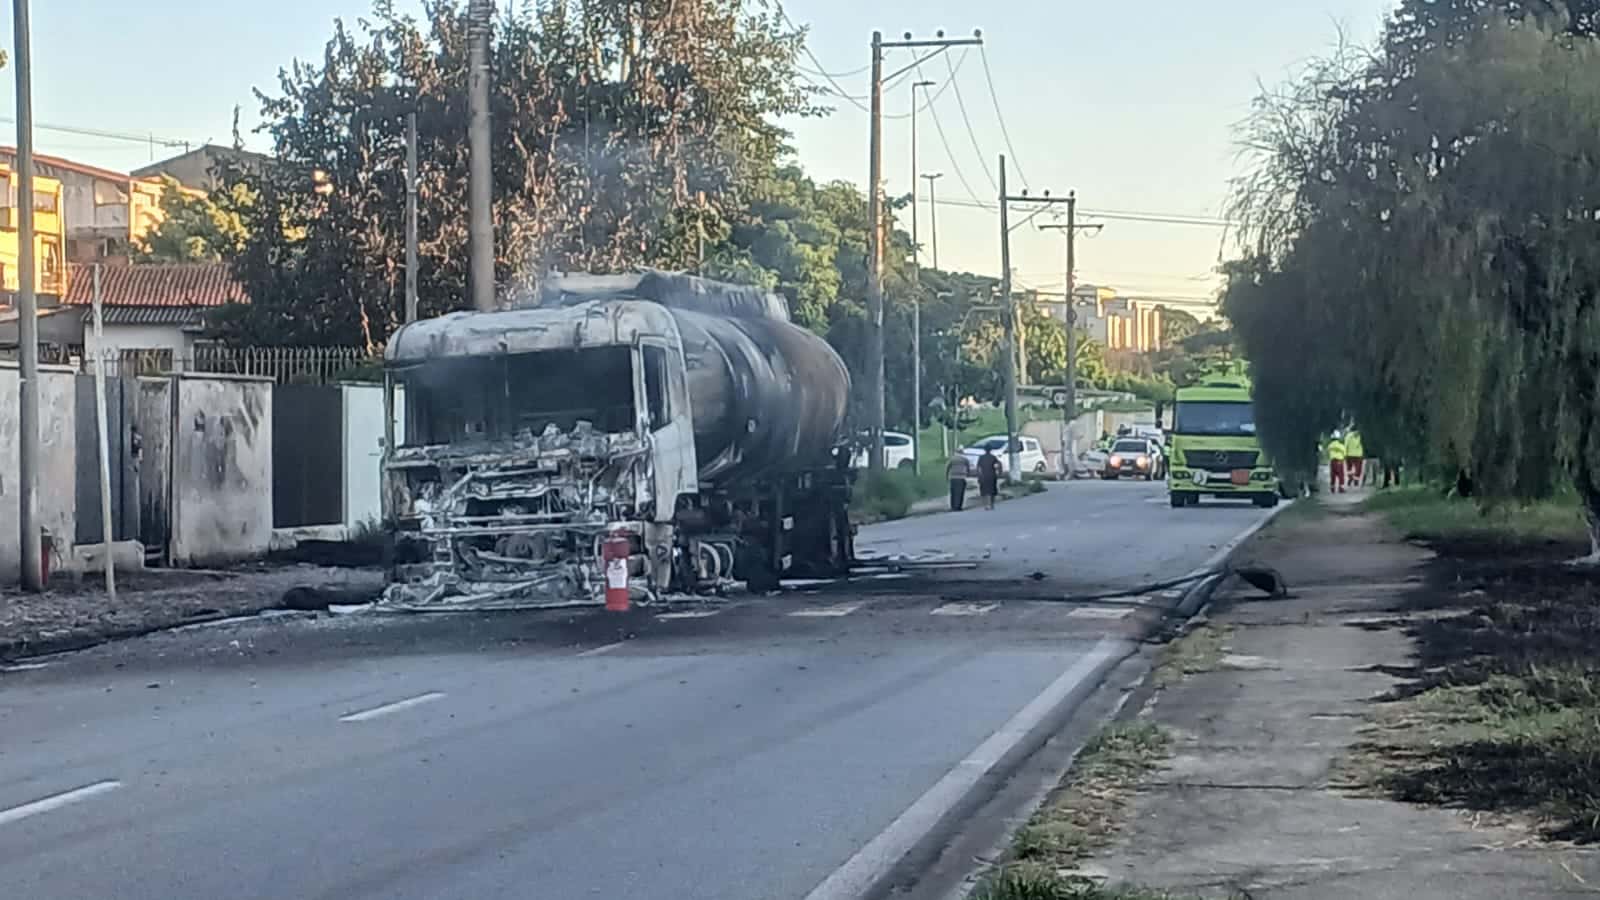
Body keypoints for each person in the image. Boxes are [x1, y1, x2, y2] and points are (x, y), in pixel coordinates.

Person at [976, 446, 1002, 511]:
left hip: (983, 476)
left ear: (984, 450)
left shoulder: (981, 458)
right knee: (992, 491)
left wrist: (979, 475)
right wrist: (999, 473)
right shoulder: (993, 457)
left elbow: (979, 468)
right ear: (991, 450)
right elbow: (997, 466)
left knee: (984, 491)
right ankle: (991, 504)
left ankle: (986, 505)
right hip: (992, 475)